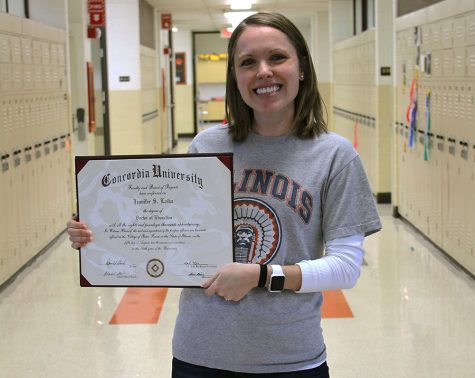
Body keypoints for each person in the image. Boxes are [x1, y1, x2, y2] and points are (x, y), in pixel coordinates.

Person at [67, 12, 382, 377]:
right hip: (199, 353)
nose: (263, 71)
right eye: (248, 62)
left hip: (290, 357)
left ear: (302, 69)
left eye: (277, 57)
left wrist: (261, 275)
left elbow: (345, 268)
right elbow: (172, 234)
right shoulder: (207, 146)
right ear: (236, 76)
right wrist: (101, 233)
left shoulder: (334, 157)